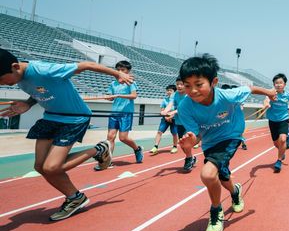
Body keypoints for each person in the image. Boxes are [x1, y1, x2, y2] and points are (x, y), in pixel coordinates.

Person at [0, 49, 124, 221]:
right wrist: (28, 104)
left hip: (74, 118)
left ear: (14, 67)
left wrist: (117, 74)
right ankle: (75, 198)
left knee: (51, 168)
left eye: (1, 79)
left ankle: (100, 149)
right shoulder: (18, 77)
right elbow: (40, 91)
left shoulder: (44, 69)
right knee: (40, 167)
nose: (2, 84)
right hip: (51, 117)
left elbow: (86, 65)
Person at [176, 54, 276, 231]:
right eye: (187, 85)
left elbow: (250, 88)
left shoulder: (227, 96)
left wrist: (269, 93)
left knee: (207, 174)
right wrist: (191, 142)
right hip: (210, 143)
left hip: (231, 136)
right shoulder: (185, 107)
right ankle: (235, 191)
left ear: (213, 81)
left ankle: (216, 211)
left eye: (199, 85)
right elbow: (196, 136)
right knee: (221, 178)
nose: (193, 91)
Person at [95, 60, 142, 170]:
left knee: (123, 138)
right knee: (110, 137)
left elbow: (134, 96)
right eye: (118, 69)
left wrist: (119, 95)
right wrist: (109, 97)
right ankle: (108, 161)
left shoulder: (130, 82)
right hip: (114, 113)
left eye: (123, 70)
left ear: (128, 71)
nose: (120, 71)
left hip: (126, 113)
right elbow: (111, 97)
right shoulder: (113, 84)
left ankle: (137, 149)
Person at [262, 73, 289, 172]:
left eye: (281, 83)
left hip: (283, 120)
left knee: (283, 140)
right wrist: (266, 105)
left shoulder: (288, 95)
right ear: (274, 84)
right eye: (276, 83)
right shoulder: (271, 93)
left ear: (284, 84)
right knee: (276, 143)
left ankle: (279, 161)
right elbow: (266, 100)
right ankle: (282, 152)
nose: (278, 85)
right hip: (272, 121)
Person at [165, 77, 197, 171]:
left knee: (186, 143)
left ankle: (188, 159)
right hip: (179, 122)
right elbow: (170, 104)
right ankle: (190, 157)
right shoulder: (175, 95)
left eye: (181, 84)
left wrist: (173, 113)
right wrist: (166, 111)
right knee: (182, 144)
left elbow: (183, 108)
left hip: (188, 123)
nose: (179, 86)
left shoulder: (189, 95)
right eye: (177, 84)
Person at [150, 84, 179, 155]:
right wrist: (166, 116)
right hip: (165, 119)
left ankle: (175, 146)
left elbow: (178, 110)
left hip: (174, 119)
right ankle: (155, 147)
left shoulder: (177, 100)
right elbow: (162, 110)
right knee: (159, 132)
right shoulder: (164, 100)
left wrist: (171, 116)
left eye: (170, 91)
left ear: (174, 92)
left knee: (174, 133)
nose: (169, 92)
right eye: (167, 90)